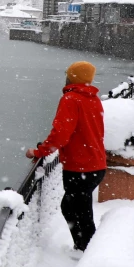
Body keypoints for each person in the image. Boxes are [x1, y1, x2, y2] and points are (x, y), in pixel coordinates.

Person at [25, 61, 106, 252]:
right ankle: (84, 248)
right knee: (75, 209)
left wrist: (39, 152)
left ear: (72, 77)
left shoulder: (71, 98)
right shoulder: (93, 99)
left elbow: (60, 134)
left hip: (80, 167)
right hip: (96, 165)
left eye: (68, 74)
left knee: (79, 213)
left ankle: (88, 253)